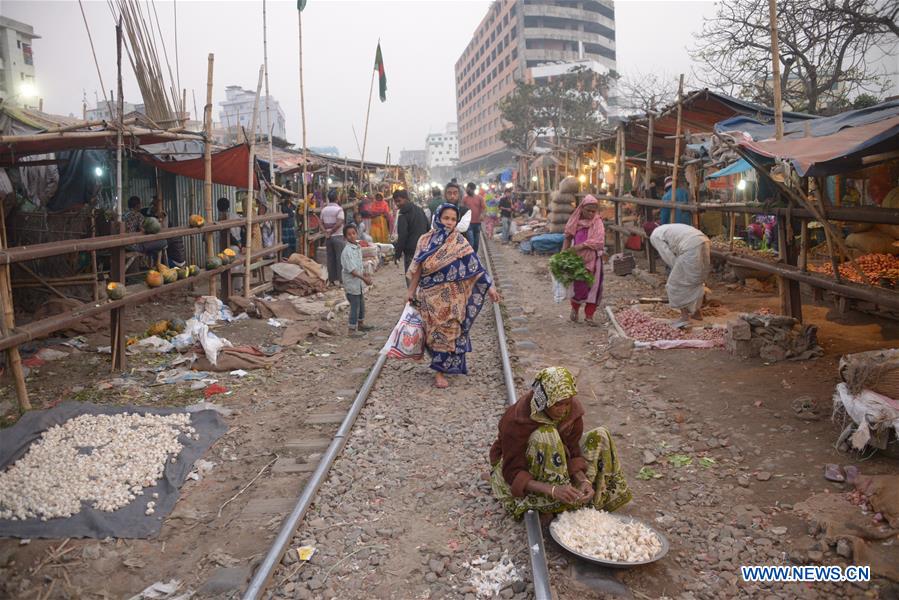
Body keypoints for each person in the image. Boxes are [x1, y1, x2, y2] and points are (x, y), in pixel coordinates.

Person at [489, 366, 632, 522]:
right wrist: (552, 490)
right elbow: (512, 471)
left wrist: (583, 480)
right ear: (543, 401)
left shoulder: (572, 411)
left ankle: (590, 498)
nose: (563, 410)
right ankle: (551, 502)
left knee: (601, 434)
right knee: (547, 434)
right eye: (557, 404)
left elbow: (572, 451)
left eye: (567, 403)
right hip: (525, 467)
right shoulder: (516, 420)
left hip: (558, 464)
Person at [406, 203, 501, 389]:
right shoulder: (424, 240)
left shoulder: (459, 241)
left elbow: (475, 266)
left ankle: (440, 372)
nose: (449, 222)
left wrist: (490, 287)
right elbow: (418, 267)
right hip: (429, 296)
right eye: (445, 218)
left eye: (452, 219)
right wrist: (410, 291)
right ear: (437, 218)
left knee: (449, 330)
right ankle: (440, 365)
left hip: (454, 297)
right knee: (433, 333)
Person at [649, 223, 711, 321]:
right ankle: (696, 312)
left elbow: (667, 255)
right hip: (704, 240)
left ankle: (684, 316)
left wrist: (677, 270)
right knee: (696, 280)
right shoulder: (666, 229)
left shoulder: (654, 236)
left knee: (675, 284)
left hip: (690, 246)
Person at [562, 195, 606, 326]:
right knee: (579, 287)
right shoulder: (574, 221)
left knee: (594, 287)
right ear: (582, 209)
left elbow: (599, 242)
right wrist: (563, 253)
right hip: (577, 261)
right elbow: (568, 237)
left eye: (594, 211)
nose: (591, 214)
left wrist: (581, 246)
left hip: (594, 261)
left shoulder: (598, 222)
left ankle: (589, 316)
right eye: (589, 211)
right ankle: (575, 309)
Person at [341, 223, 373, 336]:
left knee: (361, 303)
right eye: (349, 234)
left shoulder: (357, 247)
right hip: (351, 283)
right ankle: (351, 330)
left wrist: (365, 274)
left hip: (358, 283)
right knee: (355, 305)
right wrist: (364, 279)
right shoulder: (347, 251)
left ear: (357, 233)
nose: (352, 236)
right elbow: (352, 271)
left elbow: (359, 264)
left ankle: (360, 324)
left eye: (353, 233)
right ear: (345, 237)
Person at [392, 189, 429, 276]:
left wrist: (397, 254)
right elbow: (428, 227)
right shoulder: (419, 210)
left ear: (405, 199)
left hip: (411, 252)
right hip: (423, 249)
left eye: (399, 201)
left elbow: (402, 236)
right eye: (395, 202)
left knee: (411, 279)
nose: (397, 204)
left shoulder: (403, 213)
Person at [320, 189, 346, 285]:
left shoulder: (324, 210)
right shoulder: (339, 209)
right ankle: (341, 279)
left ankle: (331, 280)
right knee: (340, 258)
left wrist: (326, 232)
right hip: (338, 236)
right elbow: (339, 223)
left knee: (330, 259)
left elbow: (321, 223)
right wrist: (332, 231)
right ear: (337, 198)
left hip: (328, 237)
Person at [463, 182, 486, 254]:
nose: (467, 190)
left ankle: (474, 255)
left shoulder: (479, 198)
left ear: (472, 189)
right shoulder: (465, 199)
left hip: (477, 223)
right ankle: (470, 255)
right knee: (471, 241)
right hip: (468, 223)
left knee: (476, 243)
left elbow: (483, 208)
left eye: (468, 189)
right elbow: (462, 209)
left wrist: (482, 214)